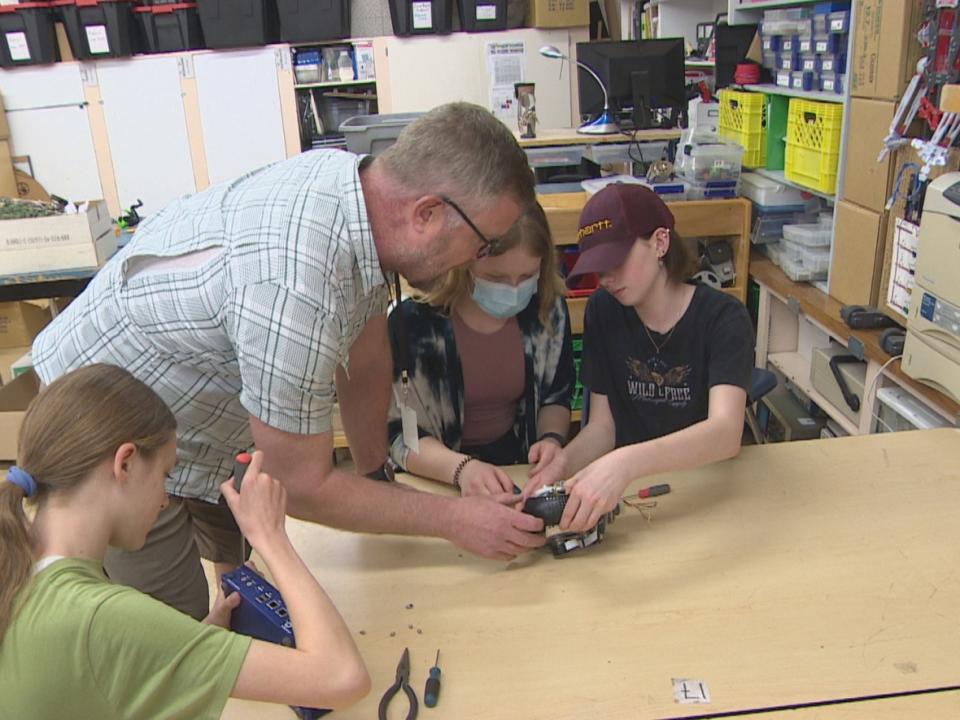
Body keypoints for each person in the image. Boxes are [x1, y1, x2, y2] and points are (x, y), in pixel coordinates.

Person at [31, 102, 544, 619]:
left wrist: (373, 477)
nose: (479, 261)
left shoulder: (359, 202)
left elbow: (365, 360)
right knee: (175, 631)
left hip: (205, 416)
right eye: (485, 243)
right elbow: (299, 484)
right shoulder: (296, 281)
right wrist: (456, 520)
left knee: (249, 587)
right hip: (110, 431)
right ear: (427, 214)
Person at [0, 364, 369, 717]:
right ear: (125, 463)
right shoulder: (100, 617)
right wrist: (271, 537)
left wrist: (192, 643)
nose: (164, 499)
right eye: (165, 474)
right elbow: (342, 678)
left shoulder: (19, 568)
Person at [523, 184, 754, 531]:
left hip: (707, 490)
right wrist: (563, 464)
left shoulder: (724, 318)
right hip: (634, 494)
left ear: (660, 242)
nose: (606, 279)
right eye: (598, 269)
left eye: (616, 261)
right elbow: (602, 427)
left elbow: (725, 433)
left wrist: (626, 461)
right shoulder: (604, 310)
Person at [386, 203, 575, 496]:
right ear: (464, 263)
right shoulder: (412, 324)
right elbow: (402, 436)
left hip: (518, 469)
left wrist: (551, 440)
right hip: (435, 475)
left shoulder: (547, 310)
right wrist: (463, 470)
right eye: (497, 278)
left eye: (527, 276)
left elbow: (556, 396)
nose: (513, 290)